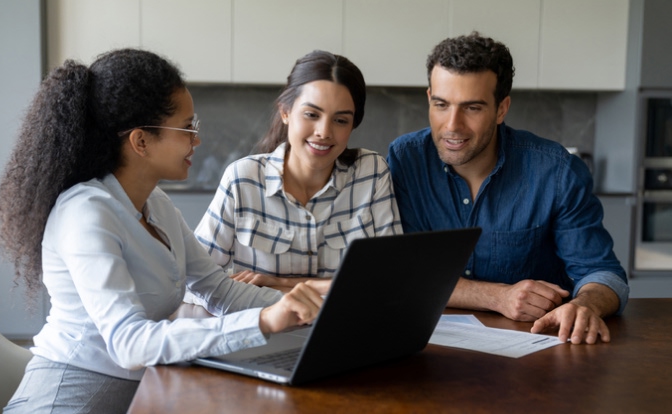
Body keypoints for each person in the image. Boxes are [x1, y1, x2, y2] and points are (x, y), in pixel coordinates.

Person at [0, 49, 323, 413]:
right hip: (67, 399)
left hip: (137, 395)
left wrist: (315, 310)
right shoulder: (85, 214)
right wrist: (263, 321)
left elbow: (220, 291)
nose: (196, 141)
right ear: (141, 141)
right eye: (187, 128)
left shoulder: (156, 204)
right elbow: (129, 344)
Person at [387, 32, 629, 345]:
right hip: (430, 350)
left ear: (502, 109)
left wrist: (585, 305)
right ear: (429, 97)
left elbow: (604, 274)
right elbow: (405, 273)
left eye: (472, 108)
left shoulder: (556, 171)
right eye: (441, 105)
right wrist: (497, 296)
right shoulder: (406, 160)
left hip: (538, 350)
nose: (452, 125)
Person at [193, 50, 402, 294]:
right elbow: (196, 280)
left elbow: (393, 278)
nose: (324, 131)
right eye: (312, 115)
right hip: (262, 329)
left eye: (341, 120)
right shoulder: (243, 179)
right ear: (285, 112)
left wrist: (282, 284)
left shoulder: (372, 172)